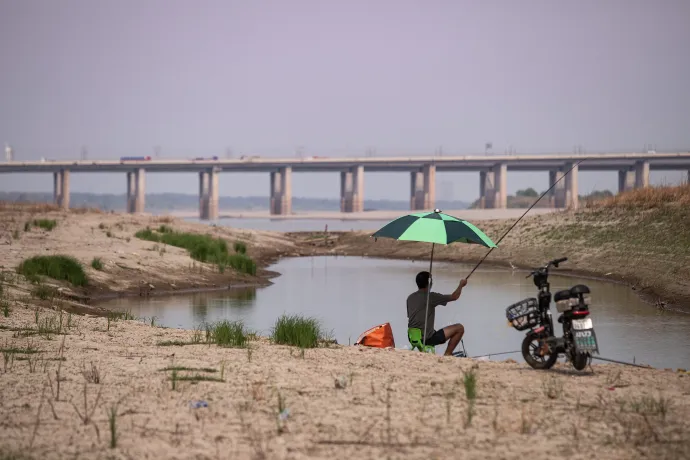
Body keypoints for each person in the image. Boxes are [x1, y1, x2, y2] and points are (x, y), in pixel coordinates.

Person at [407, 271, 467, 356]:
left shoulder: (410, 297)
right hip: (427, 339)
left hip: (412, 337)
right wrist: (461, 285)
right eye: (431, 281)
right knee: (459, 328)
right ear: (429, 283)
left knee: (434, 330)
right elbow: (454, 296)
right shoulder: (431, 296)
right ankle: (448, 354)